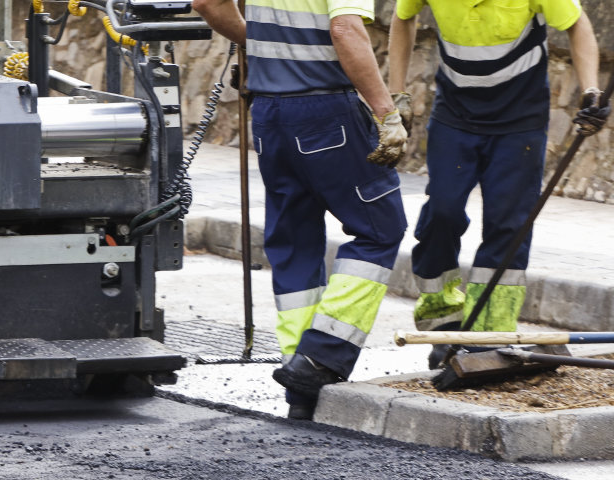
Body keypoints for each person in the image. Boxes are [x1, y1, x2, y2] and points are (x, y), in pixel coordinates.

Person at [192, 0, 410, 420]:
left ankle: (300, 381)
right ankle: (321, 357)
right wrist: (386, 112)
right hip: (327, 111)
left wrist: (258, 44)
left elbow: (206, 3)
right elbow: (346, 31)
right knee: (380, 229)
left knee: (294, 239)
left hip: (271, 114)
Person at [388, 0, 607, 366]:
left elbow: (578, 24)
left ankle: (488, 336)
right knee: (442, 211)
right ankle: (442, 321)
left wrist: (591, 91)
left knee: (508, 225)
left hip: (519, 122)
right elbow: (401, 18)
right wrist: (398, 94)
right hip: (455, 116)